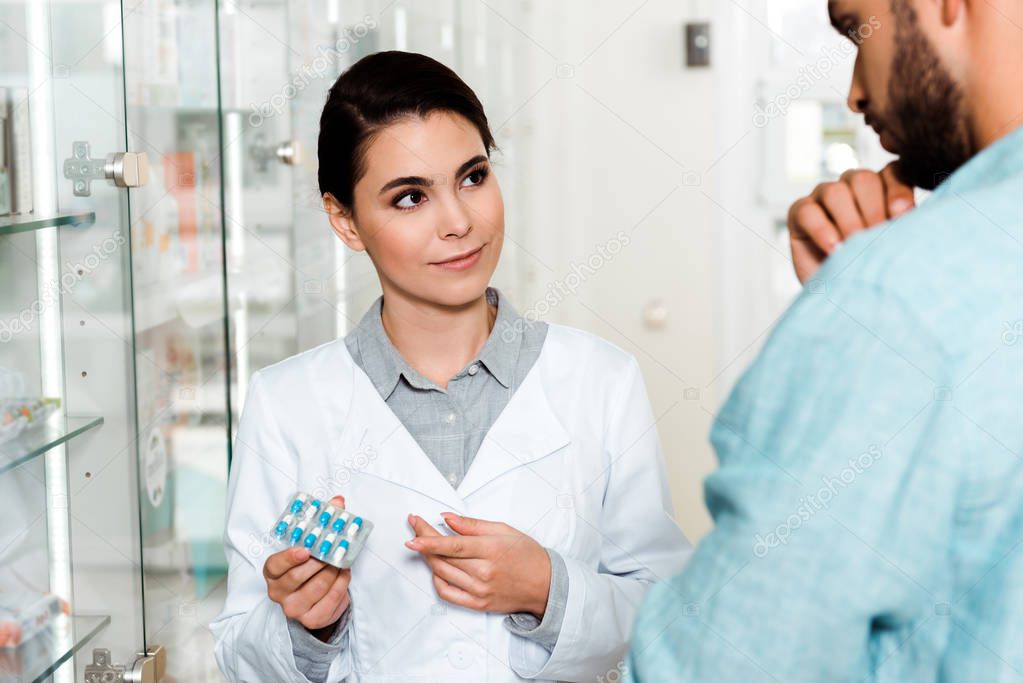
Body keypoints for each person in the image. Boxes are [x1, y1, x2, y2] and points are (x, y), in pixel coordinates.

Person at [209, 51, 691, 682]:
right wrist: (311, 627)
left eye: (473, 177)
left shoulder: (601, 380)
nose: (460, 222)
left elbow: (672, 611)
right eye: (410, 198)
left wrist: (548, 588)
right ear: (344, 220)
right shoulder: (286, 403)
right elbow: (238, 650)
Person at [628, 0, 1023, 680]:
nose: (855, 92)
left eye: (853, 28)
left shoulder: (898, 295)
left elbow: (723, 665)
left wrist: (866, 310)